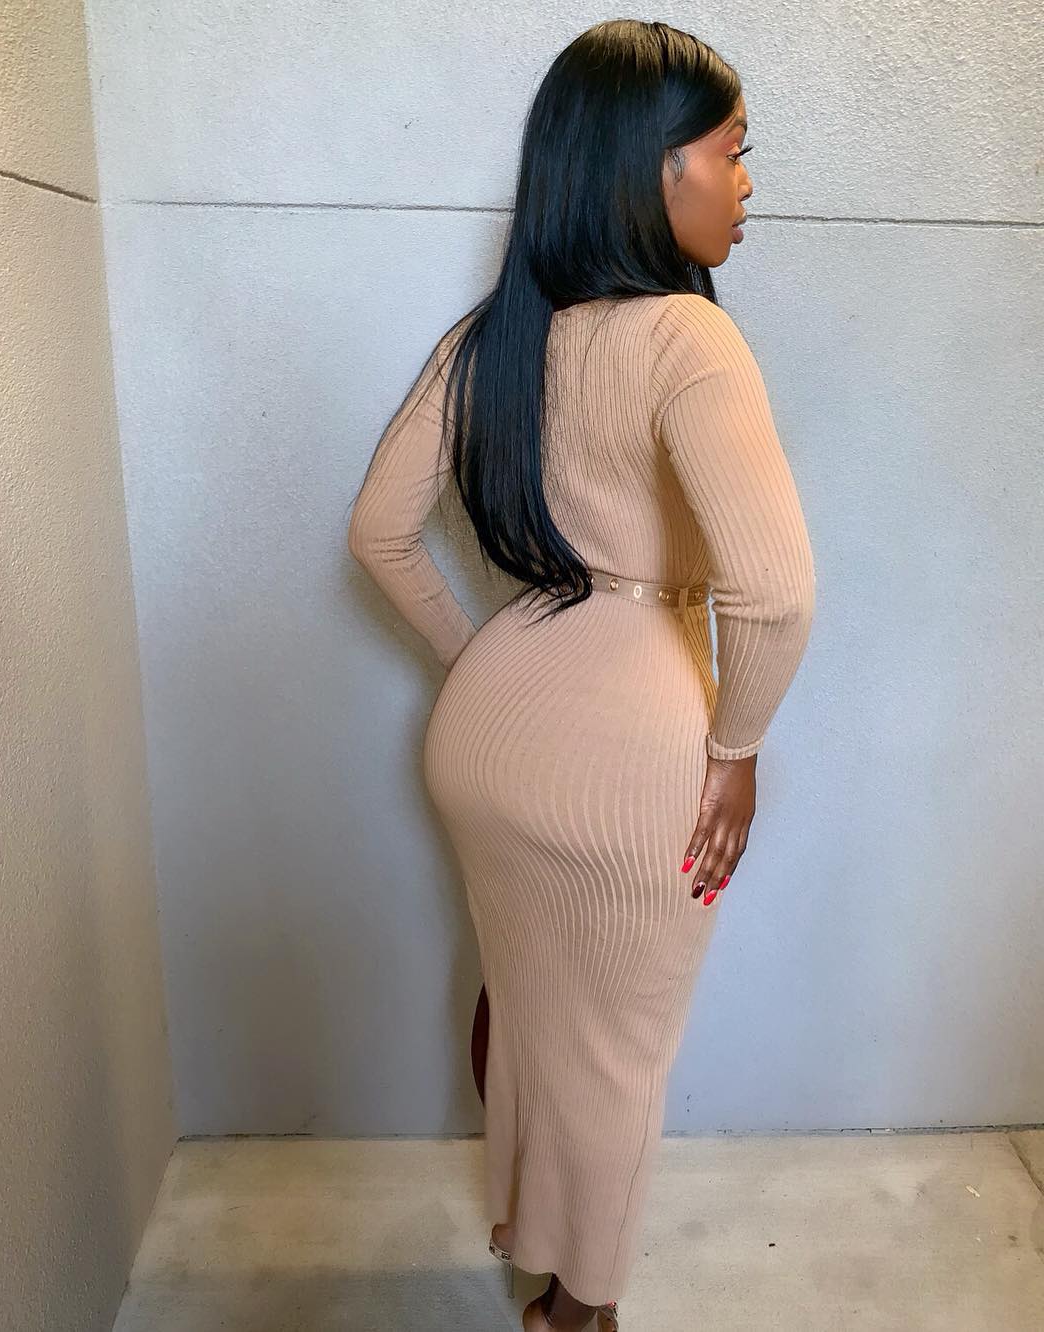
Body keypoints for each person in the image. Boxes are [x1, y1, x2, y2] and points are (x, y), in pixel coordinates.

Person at [346, 18, 816, 1331]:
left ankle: (538, 1254)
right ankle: (578, 1310)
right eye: (731, 152)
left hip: (488, 738)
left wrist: (485, 671)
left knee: (529, 1009)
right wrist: (736, 752)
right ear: (653, 167)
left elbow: (377, 533)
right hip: (631, 755)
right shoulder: (690, 341)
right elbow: (776, 593)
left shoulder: (492, 337)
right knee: (615, 1055)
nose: (745, 185)